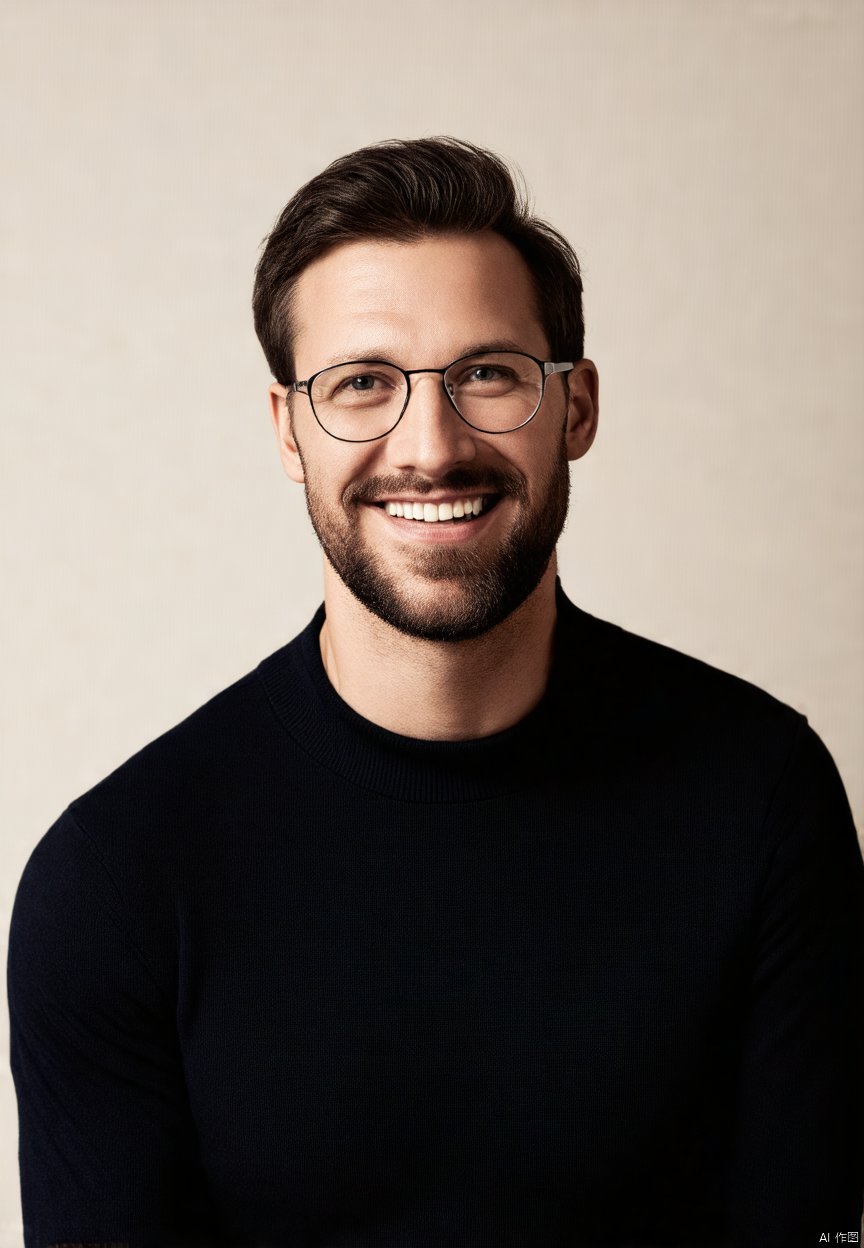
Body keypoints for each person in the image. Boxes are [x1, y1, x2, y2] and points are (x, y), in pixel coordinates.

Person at [6, 136, 864, 1248]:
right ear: (287, 433)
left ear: (578, 409)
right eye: (361, 384)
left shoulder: (760, 798)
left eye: (488, 374)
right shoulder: (118, 877)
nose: (431, 445)